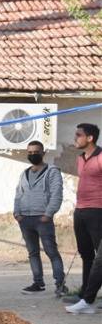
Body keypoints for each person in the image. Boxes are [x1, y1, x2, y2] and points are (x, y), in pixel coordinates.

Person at [13, 139, 65, 296]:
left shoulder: (52, 171)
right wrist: (17, 213)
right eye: (30, 152)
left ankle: (60, 284)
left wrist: (48, 214)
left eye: (36, 152)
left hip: (43, 219)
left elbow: (57, 194)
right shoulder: (25, 173)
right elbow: (18, 194)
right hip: (25, 219)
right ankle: (38, 283)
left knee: (51, 252)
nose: (33, 155)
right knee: (32, 253)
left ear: (43, 153)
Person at [64, 123, 102, 306]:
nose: (75, 138)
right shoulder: (80, 158)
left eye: (78, 134)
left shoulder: (101, 157)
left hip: (98, 211)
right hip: (81, 211)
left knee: (100, 256)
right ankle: (85, 293)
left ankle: (90, 297)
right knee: (86, 255)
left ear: (90, 138)